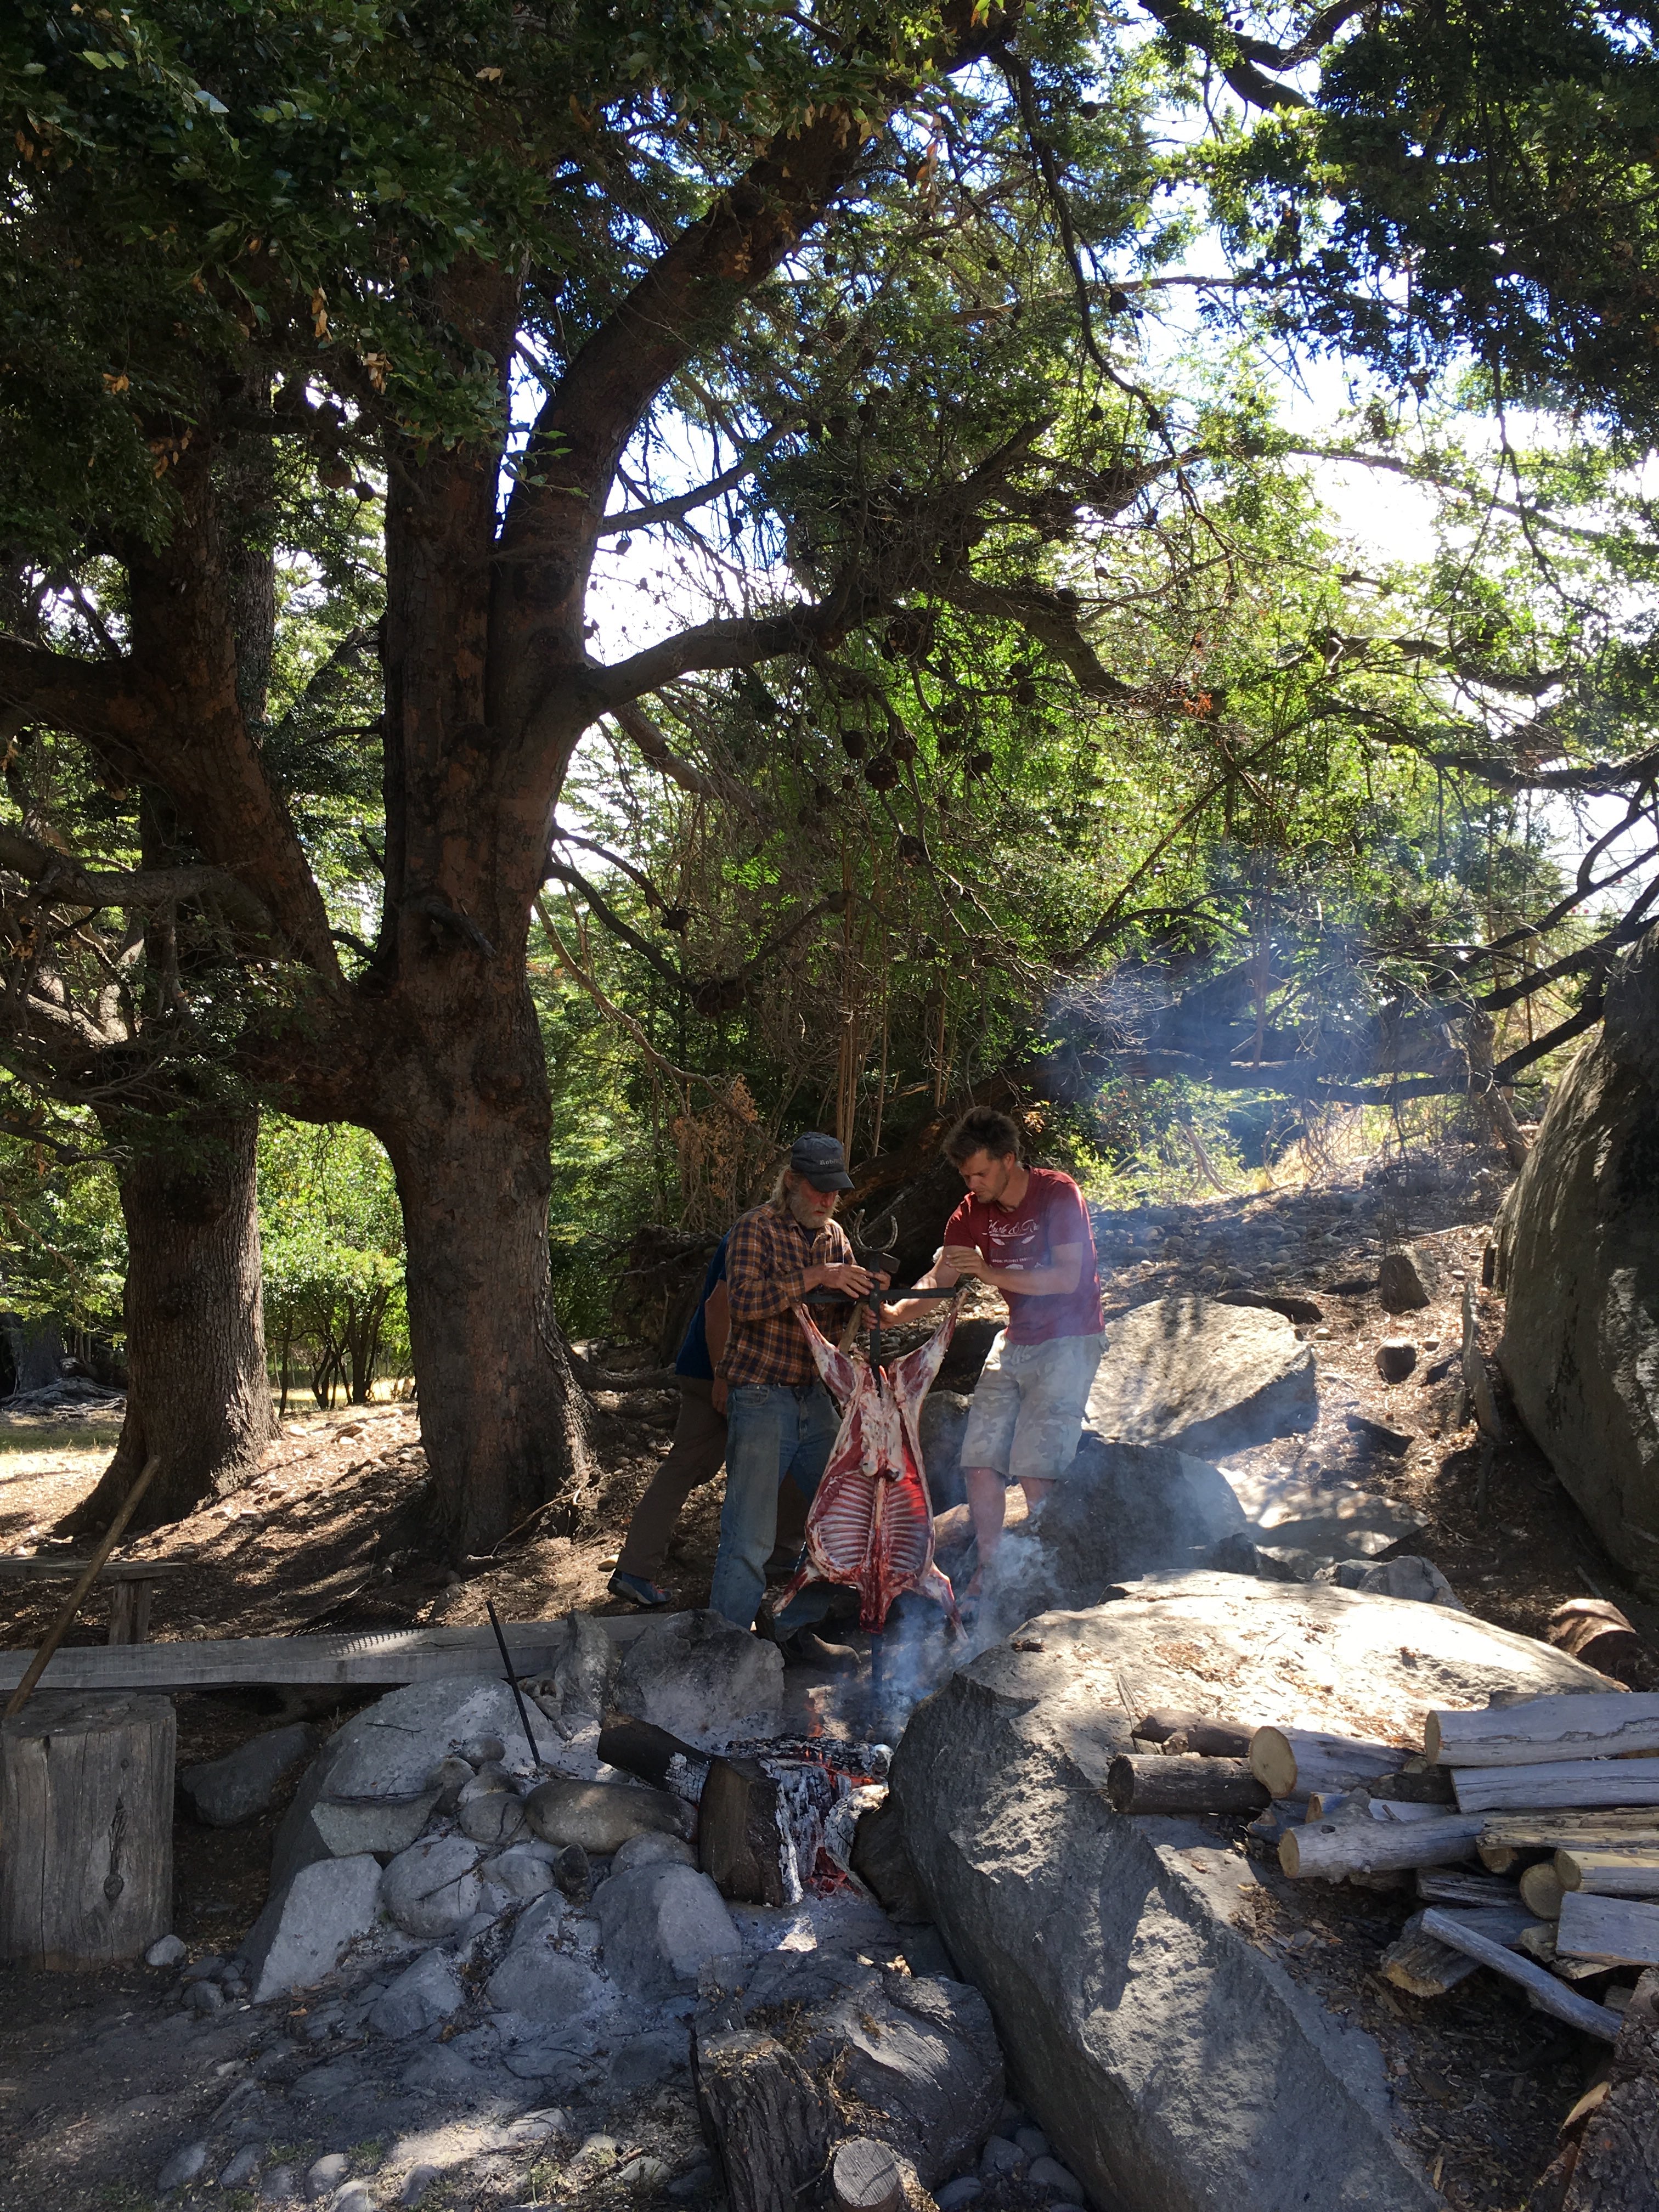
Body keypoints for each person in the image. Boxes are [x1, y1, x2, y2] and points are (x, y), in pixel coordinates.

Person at [887, 1105, 1103, 1581]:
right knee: (980, 1461)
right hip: (1017, 1339)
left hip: (1071, 1338)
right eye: (966, 1176)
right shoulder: (971, 1211)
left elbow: (1067, 1278)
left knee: (1035, 1467)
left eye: (980, 1173)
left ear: (1009, 1159)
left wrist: (987, 1271)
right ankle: (991, 1571)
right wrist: (895, 1312)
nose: (973, 1184)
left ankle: (1050, 1573)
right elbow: (940, 1278)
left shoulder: (1057, 1193)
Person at [707, 1130, 885, 1656]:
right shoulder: (756, 1228)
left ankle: (793, 1628)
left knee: (847, 1517)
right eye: (819, 1189)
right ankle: (725, 1654)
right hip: (761, 1396)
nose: (828, 1200)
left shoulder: (835, 1236)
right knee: (750, 1537)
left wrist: (865, 1305)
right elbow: (743, 1302)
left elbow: (841, 1315)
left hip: (815, 1397)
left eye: (835, 1191)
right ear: (791, 1182)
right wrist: (817, 1276)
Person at [608, 1233, 810, 1609]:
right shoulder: (753, 1234)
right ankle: (636, 1570)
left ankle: (780, 1552)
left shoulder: (790, 1236)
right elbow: (719, 1307)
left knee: (785, 1454)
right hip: (718, 1374)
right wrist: (722, 1377)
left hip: (743, 1377)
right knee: (696, 1465)